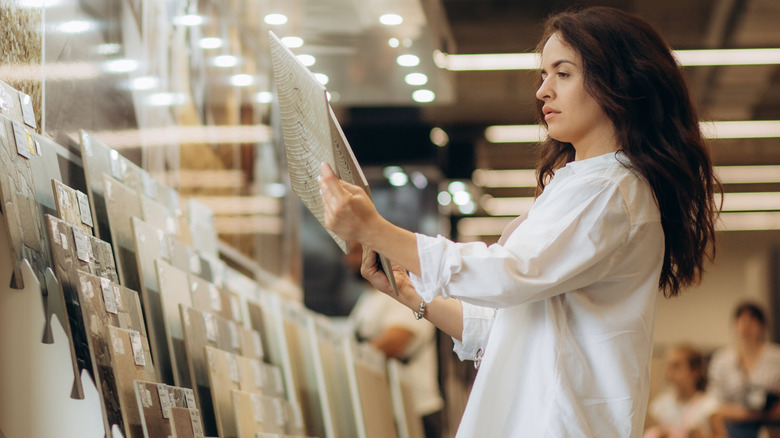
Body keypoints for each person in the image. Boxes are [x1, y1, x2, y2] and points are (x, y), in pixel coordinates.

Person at [319, 6, 720, 436]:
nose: (543, 91)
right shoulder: (584, 184)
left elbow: (508, 275)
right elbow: (506, 325)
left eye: (563, 74)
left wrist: (378, 230)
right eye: (543, 75)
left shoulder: (611, 190)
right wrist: (411, 293)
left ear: (618, 82)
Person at [344, 241, 444, 437]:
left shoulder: (404, 295)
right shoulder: (369, 298)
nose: (348, 260)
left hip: (415, 410)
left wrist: (344, 361)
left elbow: (393, 343)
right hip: (389, 408)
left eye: (355, 253)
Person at [708, 302, 780, 438]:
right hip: (733, 426)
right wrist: (750, 414)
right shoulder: (722, 360)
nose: (746, 326)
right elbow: (715, 404)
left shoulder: (776, 357)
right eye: (741, 321)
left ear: (761, 326)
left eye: (752, 321)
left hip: (771, 426)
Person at [644, 345, 722, 438]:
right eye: (669, 366)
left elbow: (721, 435)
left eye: (676, 366)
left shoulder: (709, 405)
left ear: (696, 371)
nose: (670, 372)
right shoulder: (661, 404)